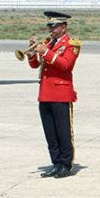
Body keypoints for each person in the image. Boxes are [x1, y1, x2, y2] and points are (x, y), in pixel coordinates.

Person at [26, 11, 81, 178]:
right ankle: (56, 162)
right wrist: (31, 54)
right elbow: (36, 66)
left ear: (64, 27)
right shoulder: (48, 43)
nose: (51, 29)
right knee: (50, 132)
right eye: (49, 26)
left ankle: (66, 164)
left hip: (61, 93)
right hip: (45, 93)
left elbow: (66, 65)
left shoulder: (72, 44)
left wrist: (46, 52)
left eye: (54, 26)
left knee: (63, 132)